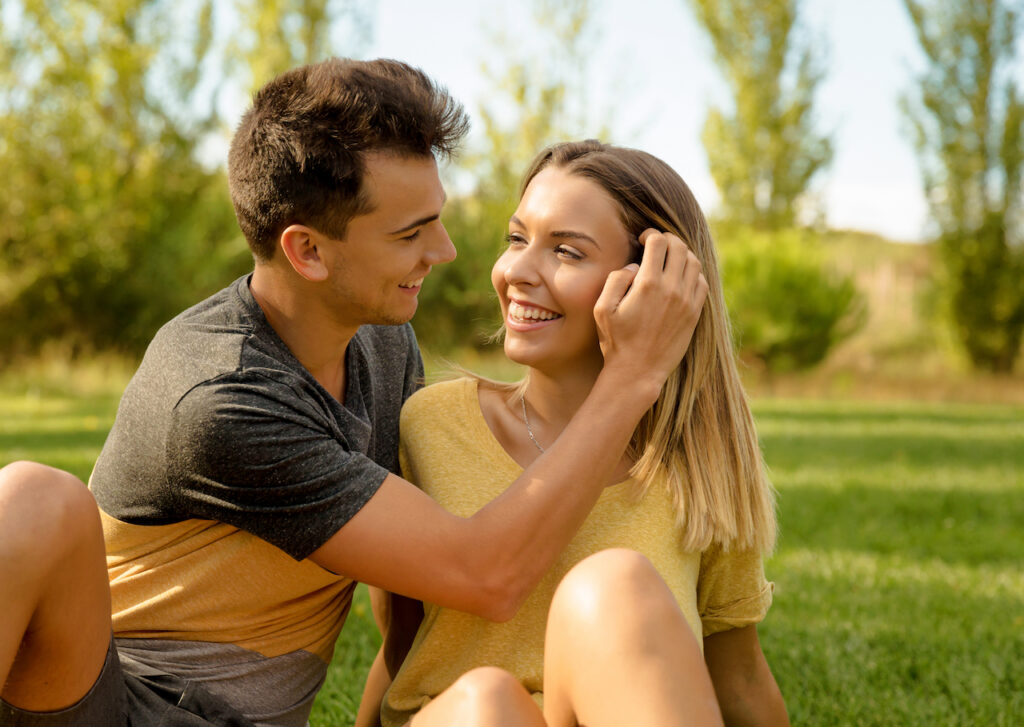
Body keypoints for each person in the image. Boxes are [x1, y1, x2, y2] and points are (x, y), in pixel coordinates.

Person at [0, 61, 709, 726]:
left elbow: (411, 605)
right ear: (307, 251)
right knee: (33, 499)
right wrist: (633, 376)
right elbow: (484, 572)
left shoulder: (382, 344)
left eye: (438, 218)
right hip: (109, 703)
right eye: (412, 232)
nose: (445, 252)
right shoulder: (222, 398)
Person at [361, 140, 789, 727]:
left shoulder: (698, 468)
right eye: (517, 239)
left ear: (652, 284)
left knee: (614, 586)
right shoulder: (429, 424)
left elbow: (737, 675)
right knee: (489, 703)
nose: (515, 271)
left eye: (566, 251)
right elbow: (401, 642)